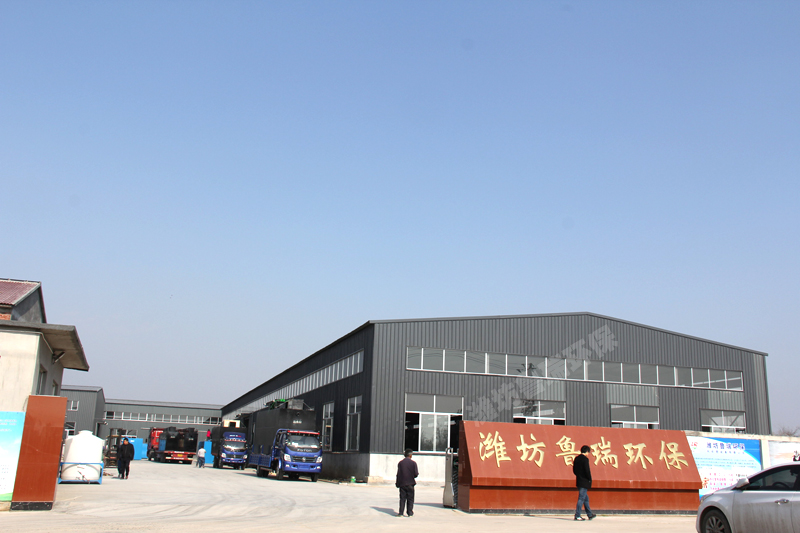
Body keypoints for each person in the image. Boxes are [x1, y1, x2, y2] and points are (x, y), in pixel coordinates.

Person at [573, 445, 596, 521]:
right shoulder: (585, 459)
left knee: (586, 498)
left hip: (579, 480)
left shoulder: (577, 458)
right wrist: (589, 478)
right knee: (581, 498)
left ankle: (589, 514)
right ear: (587, 452)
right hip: (584, 481)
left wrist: (579, 476)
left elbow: (574, 470)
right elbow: (587, 470)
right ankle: (577, 515)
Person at [395, 448, 419, 517]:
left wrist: (397, 483)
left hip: (402, 484)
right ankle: (410, 513)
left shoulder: (400, 463)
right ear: (410, 455)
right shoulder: (413, 463)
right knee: (410, 499)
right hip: (411, 483)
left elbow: (398, 474)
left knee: (402, 499)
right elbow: (416, 474)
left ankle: (401, 513)